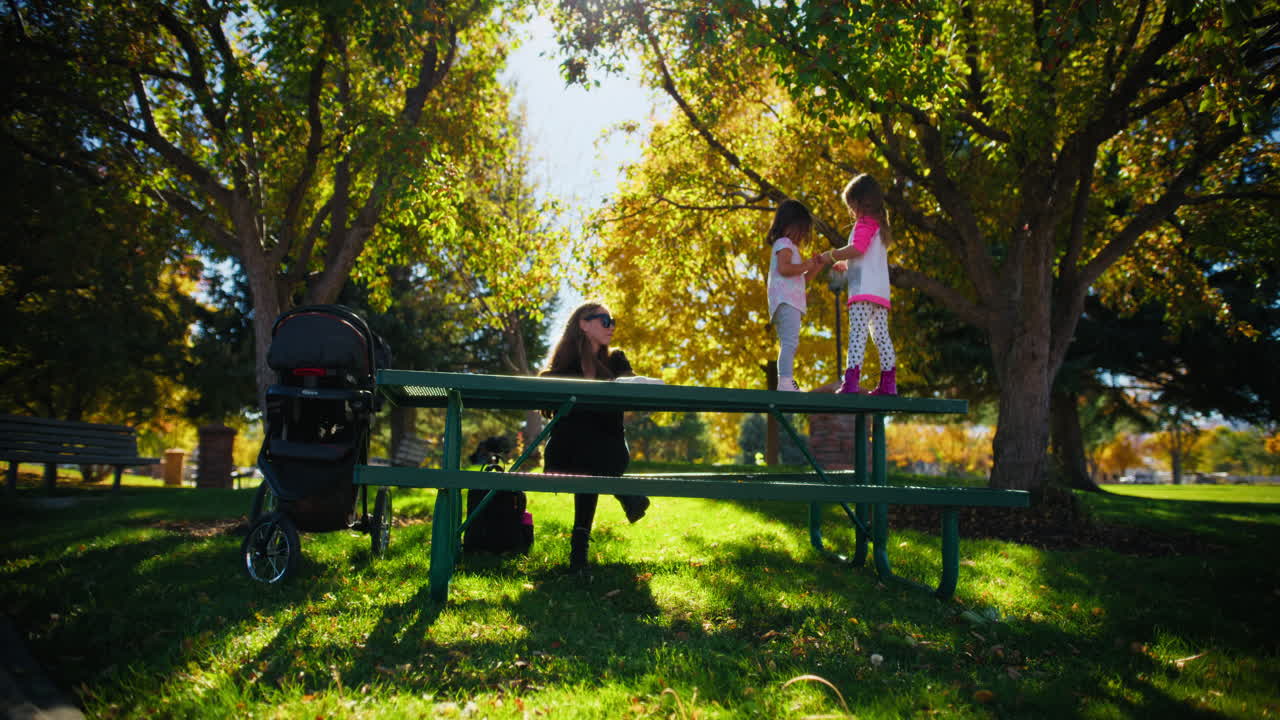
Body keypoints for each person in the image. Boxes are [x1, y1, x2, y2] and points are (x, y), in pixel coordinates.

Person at [541, 302, 651, 571]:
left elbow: (635, 389)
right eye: (605, 320)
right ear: (584, 324)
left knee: (593, 457)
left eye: (613, 321)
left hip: (608, 454)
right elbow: (545, 399)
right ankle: (624, 494)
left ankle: (579, 550)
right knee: (586, 449)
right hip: (567, 455)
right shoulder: (564, 366)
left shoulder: (616, 360)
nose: (611, 326)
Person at [822, 174, 897, 395]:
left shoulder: (864, 224)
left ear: (861, 202)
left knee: (857, 333)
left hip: (863, 292)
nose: (852, 211)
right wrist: (847, 264)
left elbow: (858, 248)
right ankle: (889, 383)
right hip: (879, 293)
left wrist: (832, 255)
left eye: (852, 206)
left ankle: (851, 382)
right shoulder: (879, 227)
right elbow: (867, 257)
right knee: (881, 336)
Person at [766, 199, 828, 392]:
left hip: (788, 301)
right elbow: (784, 269)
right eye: (801, 231)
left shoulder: (789, 248)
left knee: (790, 342)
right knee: (789, 343)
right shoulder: (783, 243)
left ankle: (786, 380)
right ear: (788, 225)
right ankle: (785, 381)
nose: (802, 236)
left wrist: (816, 266)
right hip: (786, 301)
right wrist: (806, 265)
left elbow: (802, 279)